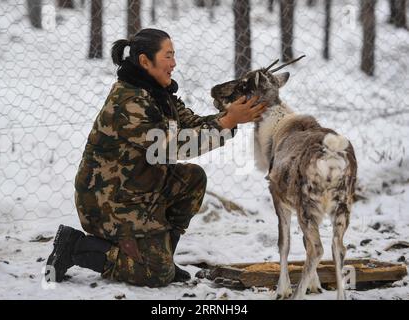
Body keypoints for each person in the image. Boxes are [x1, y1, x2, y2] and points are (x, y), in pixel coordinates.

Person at [45, 28, 267, 287]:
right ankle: (76, 247)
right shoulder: (128, 101)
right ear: (144, 61)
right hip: (107, 201)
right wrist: (228, 121)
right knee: (155, 275)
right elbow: (170, 148)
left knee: (192, 178)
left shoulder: (158, 94)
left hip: (137, 190)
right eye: (168, 56)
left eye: (174, 56)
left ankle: (159, 256)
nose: (174, 64)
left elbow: (193, 124)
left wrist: (230, 115)